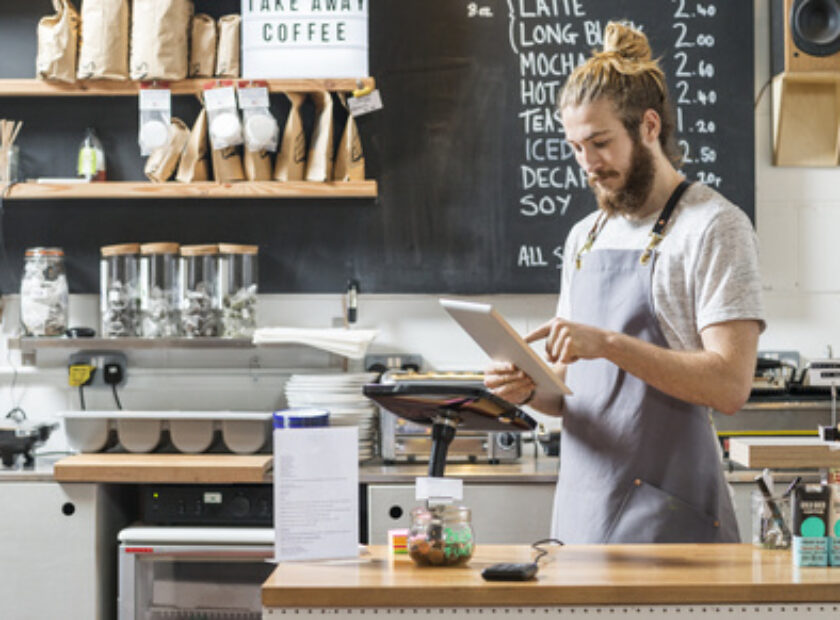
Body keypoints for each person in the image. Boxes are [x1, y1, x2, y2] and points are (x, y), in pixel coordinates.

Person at [485, 22, 764, 544]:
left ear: (650, 126)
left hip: (670, 523)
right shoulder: (585, 236)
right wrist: (528, 389)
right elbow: (571, 396)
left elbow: (730, 385)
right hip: (583, 514)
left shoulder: (713, 227)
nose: (587, 164)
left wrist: (609, 344)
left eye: (600, 142)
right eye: (574, 147)